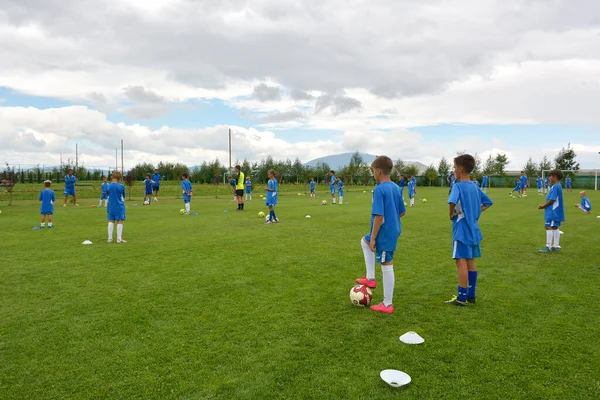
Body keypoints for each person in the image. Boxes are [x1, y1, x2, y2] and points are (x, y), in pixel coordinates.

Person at [355, 156, 406, 314]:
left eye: (372, 171)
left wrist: (374, 238)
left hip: (384, 231)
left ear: (378, 171)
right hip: (393, 228)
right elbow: (402, 212)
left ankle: (387, 304)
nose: (373, 174)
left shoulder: (379, 189)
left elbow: (379, 216)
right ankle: (370, 279)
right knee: (364, 241)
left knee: (386, 263)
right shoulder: (396, 187)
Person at [445, 154, 493, 306]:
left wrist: (451, 213)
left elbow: (452, 201)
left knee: (461, 261)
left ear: (460, 169)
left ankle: (461, 297)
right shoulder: (475, 186)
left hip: (461, 230)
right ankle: (471, 295)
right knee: (471, 260)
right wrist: (476, 212)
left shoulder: (458, 186)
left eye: (454, 168)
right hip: (473, 229)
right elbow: (488, 202)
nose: (454, 171)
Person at [538, 169, 565, 252]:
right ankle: (556, 245)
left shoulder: (556, 186)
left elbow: (552, 200)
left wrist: (543, 206)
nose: (549, 177)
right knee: (555, 226)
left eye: (550, 176)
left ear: (555, 176)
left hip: (553, 211)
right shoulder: (557, 186)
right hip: (555, 210)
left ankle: (548, 246)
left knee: (547, 226)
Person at [107, 171, 127, 243]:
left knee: (111, 220)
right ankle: (119, 239)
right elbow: (123, 196)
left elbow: (107, 194)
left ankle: (110, 238)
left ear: (112, 177)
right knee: (120, 221)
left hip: (111, 206)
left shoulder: (109, 186)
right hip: (119, 206)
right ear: (120, 178)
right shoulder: (121, 186)